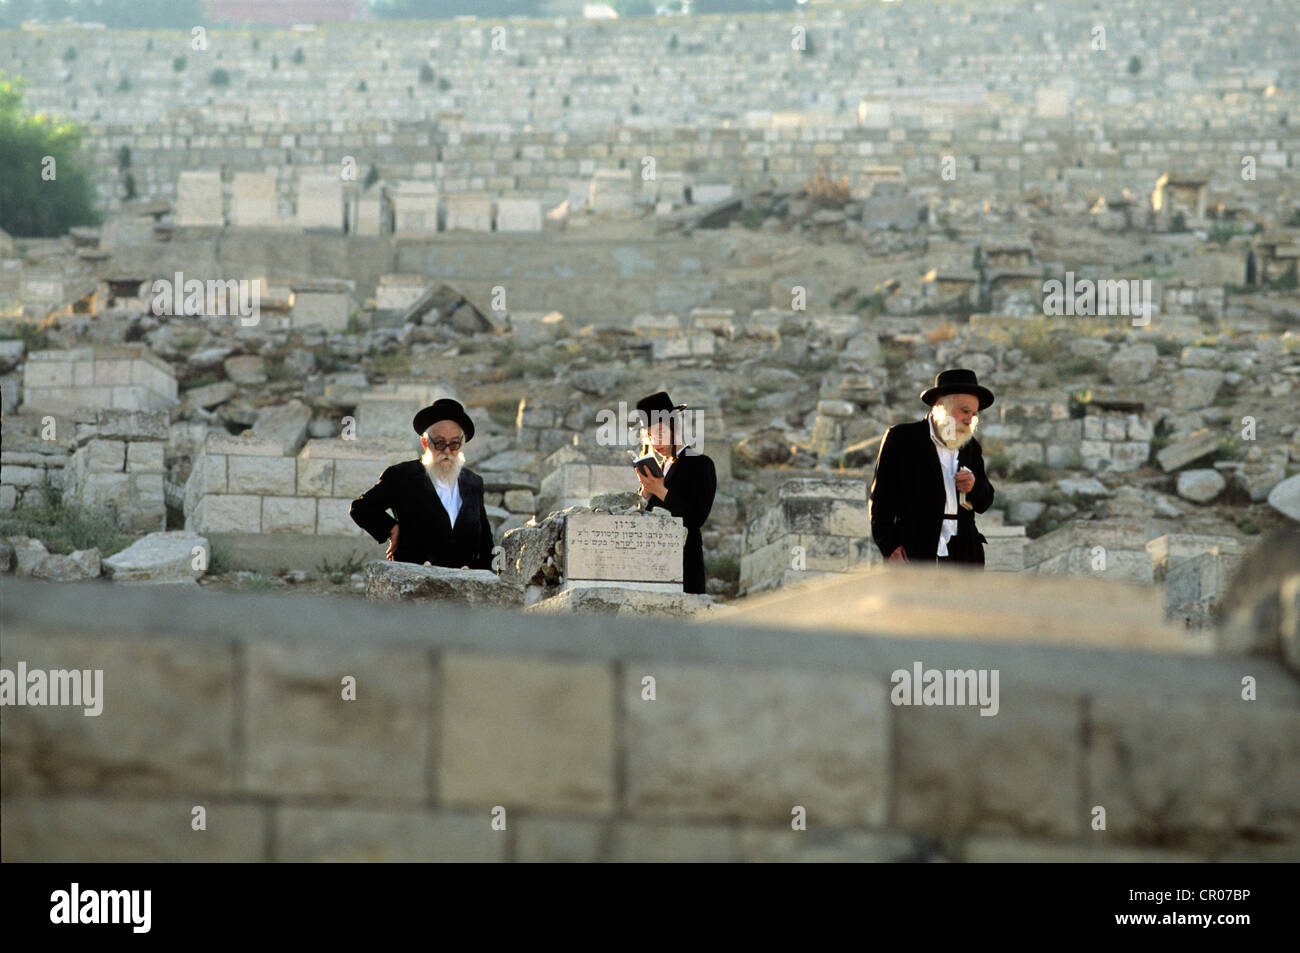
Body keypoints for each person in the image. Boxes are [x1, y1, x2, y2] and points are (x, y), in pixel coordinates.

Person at [869, 368, 996, 567]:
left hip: (964, 555)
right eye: (964, 411)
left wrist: (973, 486)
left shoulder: (970, 447)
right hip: (915, 552)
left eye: (973, 413)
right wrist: (889, 546)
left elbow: (985, 501)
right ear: (940, 406)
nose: (969, 419)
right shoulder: (902, 439)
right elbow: (880, 500)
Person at [349, 398, 495, 570]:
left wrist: (491, 575)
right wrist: (392, 528)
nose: (447, 451)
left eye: (454, 444)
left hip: (465, 580)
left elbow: (485, 538)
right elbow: (361, 508)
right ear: (425, 443)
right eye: (439, 443)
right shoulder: (402, 475)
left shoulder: (474, 482)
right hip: (414, 577)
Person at [633, 390, 717, 594]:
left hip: (684, 564)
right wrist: (645, 493)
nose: (655, 442)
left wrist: (660, 490)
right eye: (650, 436)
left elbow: (696, 517)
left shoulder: (700, 463)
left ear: (676, 427)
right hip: (652, 566)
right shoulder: (657, 469)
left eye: (660, 433)